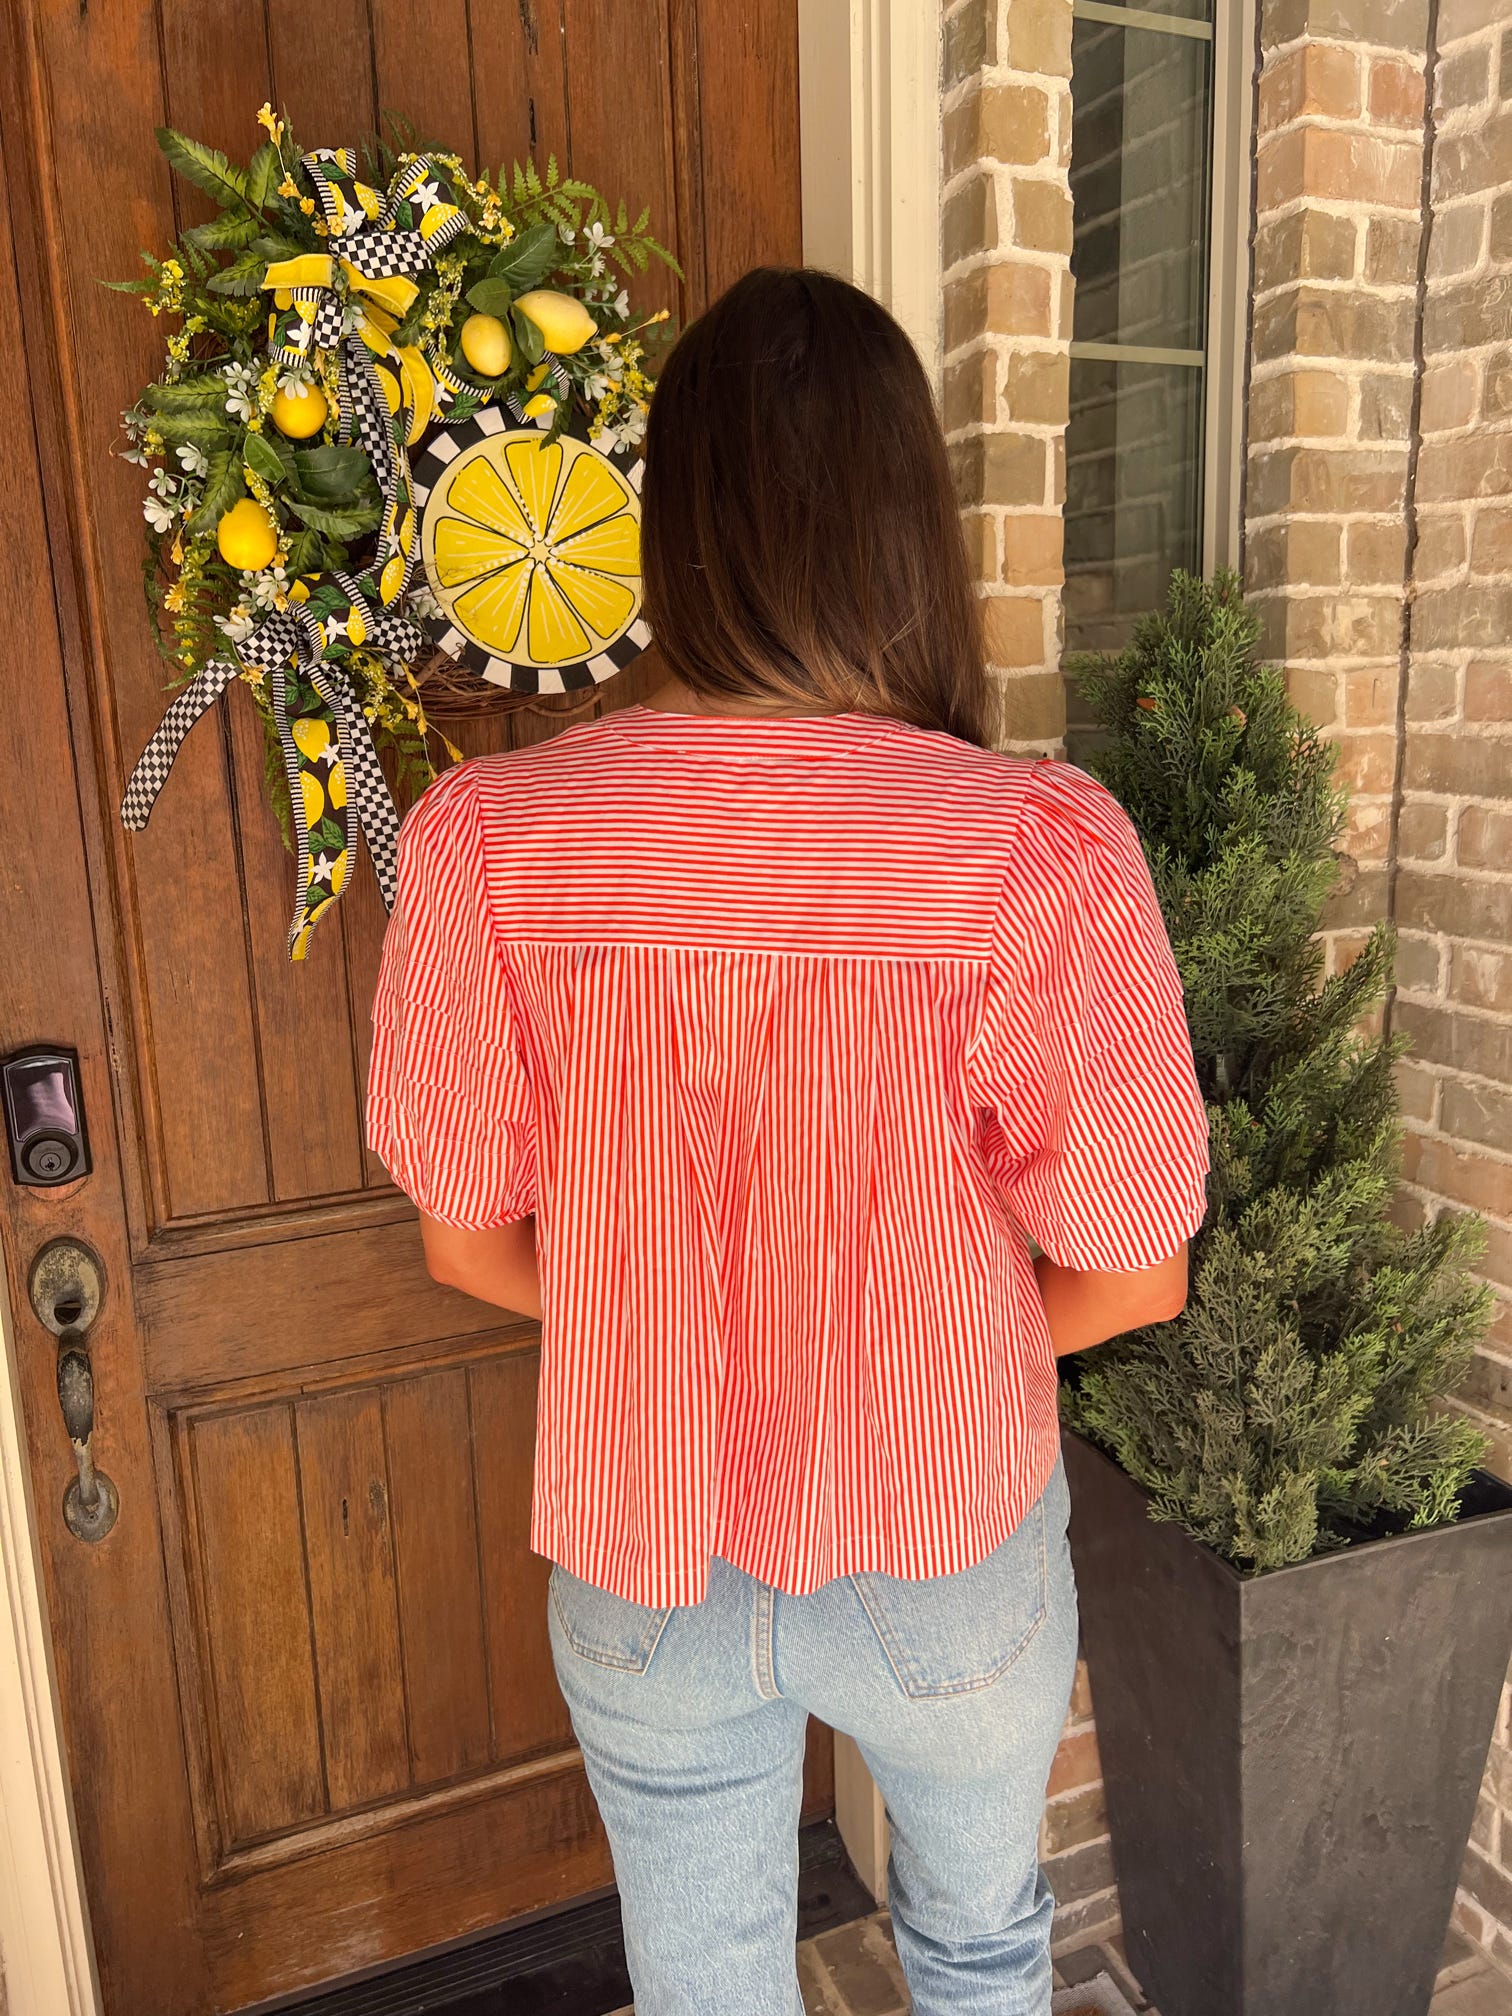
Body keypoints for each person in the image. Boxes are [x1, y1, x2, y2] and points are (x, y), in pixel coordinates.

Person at [366, 266, 1209, 2016]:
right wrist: (911, 1350)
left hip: (642, 1551)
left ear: (676, 532)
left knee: (704, 1987)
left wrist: (672, 1324)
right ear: (914, 525)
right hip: (945, 1547)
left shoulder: (488, 838)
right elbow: (1132, 1273)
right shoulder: (1038, 845)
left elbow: (464, 1242)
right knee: (980, 1954)